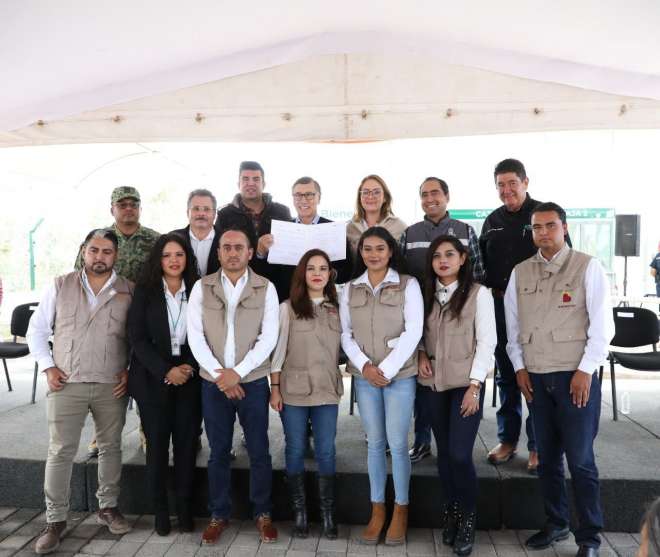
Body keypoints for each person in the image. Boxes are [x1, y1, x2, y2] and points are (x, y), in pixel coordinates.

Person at [505, 202, 614, 557]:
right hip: (536, 378)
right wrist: (519, 368)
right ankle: (556, 523)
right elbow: (513, 329)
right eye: (537, 227)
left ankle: (590, 538)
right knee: (547, 459)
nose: (543, 233)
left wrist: (586, 370)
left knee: (581, 461)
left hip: (574, 378)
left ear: (564, 228)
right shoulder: (520, 272)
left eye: (550, 225)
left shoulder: (587, 266)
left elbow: (603, 327)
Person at [27, 229, 133, 554]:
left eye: (107, 251)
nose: (99, 257)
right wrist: (48, 367)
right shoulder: (60, 285)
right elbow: (37, 330)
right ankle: (55, 520)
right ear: (84, 251)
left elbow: (137, 336)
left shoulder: (128, 290)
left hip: (111, 383)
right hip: (66, 383)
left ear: (116, 255)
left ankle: (108, 507)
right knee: (60, 451)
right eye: (94, 250)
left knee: (110, 447)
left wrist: (129, 369)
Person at [187, 225, 280, 545]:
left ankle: (263, 513)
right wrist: (221, 375)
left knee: (259, 450)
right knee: (218, 452)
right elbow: (195, 336)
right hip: (213, 384)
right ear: (218, 253)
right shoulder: (202, 287)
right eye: (226, 247)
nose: (232, 253)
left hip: (251, 382)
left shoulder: (266, 287)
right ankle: (218, 514)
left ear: (250, 253)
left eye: (239, 247)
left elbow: (268, 337)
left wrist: (237, 373)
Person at [340, 226, 423, 546]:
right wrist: (365, 367)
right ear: (360, 253)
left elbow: (414, 330)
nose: (373, 254)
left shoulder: (407, 284)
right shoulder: (350, 288)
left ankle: (401, 509)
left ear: (390, 252)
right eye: (367, 249)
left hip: (399, 376)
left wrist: (385, 369)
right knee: (375, 444)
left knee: (398, 444)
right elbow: (345, 334)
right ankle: (377, 510)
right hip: (365, 377)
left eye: (379, 248)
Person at [417, 235, 496, 556]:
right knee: (445, 455)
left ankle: (468, 517)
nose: (443, 261)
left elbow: (487, 342)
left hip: (466, 385)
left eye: (450, 254)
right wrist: (421, 353)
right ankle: (451, 511)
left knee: (461, 454)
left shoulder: (479, 294)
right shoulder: (425, 293)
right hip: (434, 384)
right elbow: (416, 331)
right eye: (437, 256)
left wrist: (475, 386)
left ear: (463, 258)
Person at [401, 177, 485, 464]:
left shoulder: (465, 231)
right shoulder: (409, 233)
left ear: (447, 196)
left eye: (435, 193)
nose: (430, 199)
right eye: (424, 194)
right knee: (424, 386)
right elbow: (401, 274)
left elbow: (478, 272)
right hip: (422, 316)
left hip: (458, 314)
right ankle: (422, 441)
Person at [75, 185, 160, 456]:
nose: (128, 209)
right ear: (112, 209)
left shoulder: (155, 240)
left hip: (144, 320)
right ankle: (103, 434)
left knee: (145, 377)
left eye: (133, 204)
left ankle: (147, 430)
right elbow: (80, 278)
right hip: (106, 319)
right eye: (122, 205)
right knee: (108, 377)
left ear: (140, 208)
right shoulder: (99, 240)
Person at [127, 234, 201, 535]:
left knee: (186, 448)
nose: (173, 260)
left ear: (187, 258)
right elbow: (137, 338)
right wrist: (165, 371)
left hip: (189, 379)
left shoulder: (198, 289)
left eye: (179, 254)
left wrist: (189, 367)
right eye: (167, 255)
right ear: (158, 259)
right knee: (156, 449)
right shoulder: (145, 291)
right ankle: (160, 511)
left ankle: (184, 509)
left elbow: (207, 334)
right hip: (152, 379)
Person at [269, 249, 343, 539]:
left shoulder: (337, 307)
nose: (317, 273)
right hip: (294, 390)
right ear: (302, 273)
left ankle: (328, 513)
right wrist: (275, 389)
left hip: (326, 389)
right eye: (311, 268)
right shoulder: (287, 308)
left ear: (329, 274)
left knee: (326, 451)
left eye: (323, 268)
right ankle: (299, 512)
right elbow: (278, 353)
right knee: (295, 449)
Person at [479, 158, 539, 472]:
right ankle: (507, 440)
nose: (506, 190)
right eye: (500, 185)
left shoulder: (543, 214)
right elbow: (480, 268)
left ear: (525, 182)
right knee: (506, 376)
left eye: (512, 183)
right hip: (500, 308)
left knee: (536, 376)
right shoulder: (491, 221)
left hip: (536, 309)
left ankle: (538, 445)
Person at [214, 161, 292, 301]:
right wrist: (258, 252)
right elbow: (219, 253)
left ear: (264, 184)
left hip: (278, 288)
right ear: (238, 184)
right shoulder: (225, 214)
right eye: (245, 179)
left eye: (256, 179)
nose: (250, 183)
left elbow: (289, 253)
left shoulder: (281, 212)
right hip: (238, 289)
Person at [265, 177, 353, 300]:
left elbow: (347, 271)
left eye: (309, 195)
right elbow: (272, 273)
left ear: (319, 198)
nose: (303, 200)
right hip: (288, 301)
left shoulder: (335, 230)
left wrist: (331, 274)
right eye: (298, 195)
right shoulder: (282, 231)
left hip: (324, 302)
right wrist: (262, 253)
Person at [346, 175, 407, 261]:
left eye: (376, 192)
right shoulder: (350, 228)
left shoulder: (399, 226)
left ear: (385, 198)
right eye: (365, 192)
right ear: (360, 198)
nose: (370, 196)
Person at [172, 188, 220, 277]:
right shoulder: (173, 238)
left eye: (206, 209)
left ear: (214, 214)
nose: (201, 213)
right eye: (196, 209)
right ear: (188, 213)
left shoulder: (227, 240)